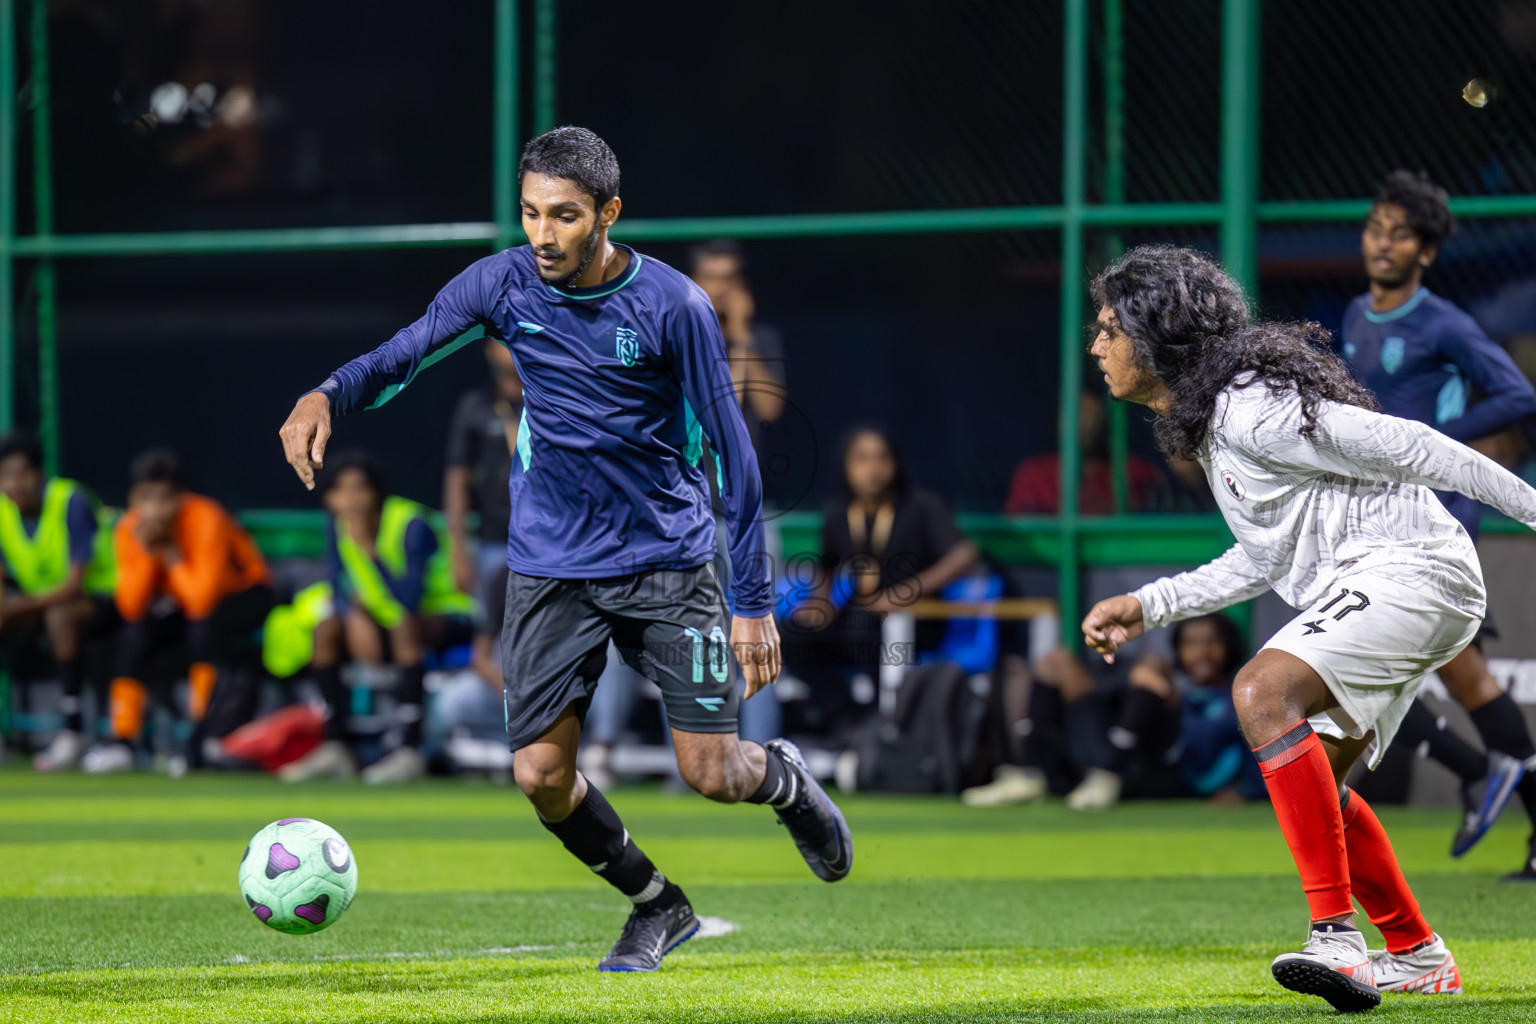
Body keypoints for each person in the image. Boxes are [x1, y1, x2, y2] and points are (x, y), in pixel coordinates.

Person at [277, 126, 851, 972]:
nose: (543, 235)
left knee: (714, 774)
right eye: (530, 213)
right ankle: (658, 905)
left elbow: (733, 450)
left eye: (565, 217)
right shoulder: (504, 282)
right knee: (540, 776)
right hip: (550, 565)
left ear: (609, 215)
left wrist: (754, 599)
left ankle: (787, 781)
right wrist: (326, 393)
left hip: (666, 558)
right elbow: (409, 350)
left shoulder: (674, 306)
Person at [1081, 245, 1536, 1009]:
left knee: (1261, 691)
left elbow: (1420, 448)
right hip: (1404, 581)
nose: (1096, 346)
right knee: (1318, 780)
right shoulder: (1217, 421)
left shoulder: (1252, 408)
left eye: (1108, 328)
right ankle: (1418, 954)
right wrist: (1150, 604)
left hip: (1414, 570)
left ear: (1155, 333)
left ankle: (1335, 936)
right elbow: (1265, 554)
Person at [1340, 170, 1536, 876]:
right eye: (1375, 230)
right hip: (1373, 514)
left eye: (1400, 235)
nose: (1383, 244)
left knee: (1363, 671)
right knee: (1468, 680)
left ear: (1426, 252)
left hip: (1436, 517)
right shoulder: (1357, 315)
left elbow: (1516, 392)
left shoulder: (1443, 322)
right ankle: (1492, 781)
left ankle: (1473, 770)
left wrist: (1440, 436)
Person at [279, 452, 474, 784]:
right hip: (379, 618)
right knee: (326, 630)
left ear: (377, 492)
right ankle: (337, 745)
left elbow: (408, 599)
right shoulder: (337, 525)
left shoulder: (410, 524)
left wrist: (369, 549)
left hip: (444, 617)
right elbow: (338, 584)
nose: (350, 499)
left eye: (360, 488)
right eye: (340, 490)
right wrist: (353, 614)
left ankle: (410, 750)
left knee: (403, 626)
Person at [963, 613, 1262, 811]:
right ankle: (1027, 772)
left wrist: (1243, 790)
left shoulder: (1242, 695)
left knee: (1150, 668)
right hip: (1108, 758)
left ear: (1229, 646)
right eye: (1192, 643)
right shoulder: (1178, 688)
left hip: (1149, 775)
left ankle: (1104, 775)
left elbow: (1255, 750)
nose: (1202, 652)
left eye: (1212, 643)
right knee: (1056, 661)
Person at [92, 449, 273, 774]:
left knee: (204, 631)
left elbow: (203, 600)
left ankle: (199, 736)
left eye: (164, 497)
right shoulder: (129, 527)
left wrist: (171, 552)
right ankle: (123, 742)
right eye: (145, 497)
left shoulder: (206, 517)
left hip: (243, 597)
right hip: (185, 606)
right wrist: (150, 553)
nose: (155, 508)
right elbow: (131, 607)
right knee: (133, 637)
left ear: (180, 496)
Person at [790, 428, 978, 697]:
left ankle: (881, 720)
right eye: (862, 459)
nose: (873, 468)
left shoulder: (921, 506)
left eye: (882, 458)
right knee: (791, 634)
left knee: (866, 629)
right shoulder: (839, 514)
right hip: (861, 614)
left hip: (916, 617)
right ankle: (844, 714)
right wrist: (822, 601)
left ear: (895, 463)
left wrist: (905, 592)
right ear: (846, 466)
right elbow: (826, 564)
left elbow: (965, 555)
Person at [0, 434, 118, 771]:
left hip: (101, 600)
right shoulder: (2, 511)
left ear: (39, 474)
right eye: (4, 475)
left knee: (59, 617)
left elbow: (72, 586)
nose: (14, 484)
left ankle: (72, 729)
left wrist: (12, 608)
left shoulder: (70, 500)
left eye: (21, 473)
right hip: (36, 603)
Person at [443, 339, 523, 691]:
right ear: (490, 349)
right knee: (492, 633)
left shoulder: (552, 399)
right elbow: (457, 479)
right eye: (504, 343)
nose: (514, 349)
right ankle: (511, 715)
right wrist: (458, 549)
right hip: (493, 540)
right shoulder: (477, 406)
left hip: (550, 542)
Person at [688, 239, 788, 489]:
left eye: (729, 278)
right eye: (711, 277)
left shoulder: (761, 338)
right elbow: (719, 412)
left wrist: (742, 335)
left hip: (751, 489)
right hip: (690, 491)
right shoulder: (680, 336)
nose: (721, 288)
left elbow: (770, 410)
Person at [1004, 385, 1164, 514]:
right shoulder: (1034, 474)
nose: (1083, 425)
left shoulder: (1133, 472)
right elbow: (1020, 537)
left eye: (1091, 415)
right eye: (1075, 413)